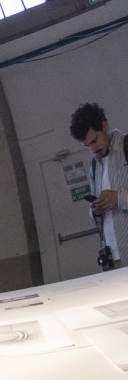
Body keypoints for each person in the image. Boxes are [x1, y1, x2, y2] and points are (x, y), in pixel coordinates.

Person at [70, 103, 126, 270]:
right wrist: (95, 210)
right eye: (87, 146)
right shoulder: (95, 167)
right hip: (111, 260)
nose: (93, 150)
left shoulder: (126, 148)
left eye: (94, 141)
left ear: (105, 126)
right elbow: (94, 218)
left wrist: (118, 198)